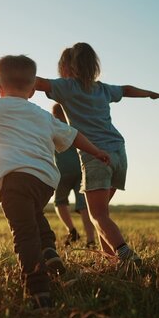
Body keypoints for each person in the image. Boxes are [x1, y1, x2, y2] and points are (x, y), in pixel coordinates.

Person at [0, 55, 110, 309]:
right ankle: (49, 251)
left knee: (23, 233)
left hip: (12, 179)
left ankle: (38, 289)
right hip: (45, 181)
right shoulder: (42, 114)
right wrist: (96, 151)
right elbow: (73, 135)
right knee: (32, 215)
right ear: (32, 90)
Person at [0, 43, 159, 264]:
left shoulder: (67, 87)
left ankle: (125, 254)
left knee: (97, 216)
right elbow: (127, 89)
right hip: (119, 152)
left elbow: (31, 82)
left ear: (66, 66)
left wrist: (2, 81)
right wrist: (151, 94)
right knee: (103, 214)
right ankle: (109, 262)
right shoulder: (102, 88)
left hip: (95, 155)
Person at [51, 103, 96, 248]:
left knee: (60, 202)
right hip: (80, 170)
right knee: (84, 206)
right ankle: (90, 240)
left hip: (61, 171)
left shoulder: (53, 127)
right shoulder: (76, 125)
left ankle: (72, 231)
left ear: (55, 114)